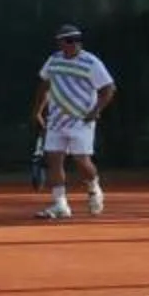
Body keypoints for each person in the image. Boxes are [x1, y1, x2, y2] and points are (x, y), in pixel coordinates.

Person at [32, 24, 116, 220]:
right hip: (56, 120)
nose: (70, 45)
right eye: (65, 41)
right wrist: (37, 111)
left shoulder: (91, 62)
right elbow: (45, 84)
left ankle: (93, 186)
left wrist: (95, 111)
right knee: (54, 159)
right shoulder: (53, 60)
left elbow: (109, 89)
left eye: (73, 41)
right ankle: (60, 205)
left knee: (81, 160)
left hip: (81, 120)